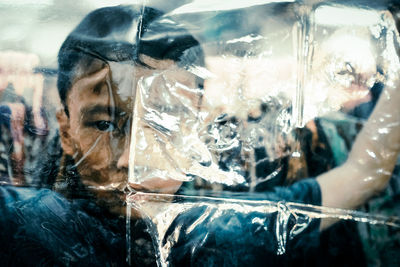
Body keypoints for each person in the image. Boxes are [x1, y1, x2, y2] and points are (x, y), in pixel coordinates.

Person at [0, 4, 400, 266]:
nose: (130, 160)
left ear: (196, 132)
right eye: (103, 124)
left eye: (164, 123)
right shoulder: (21, 228)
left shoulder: (215, 234)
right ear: (67, 133)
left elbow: (364, 171)